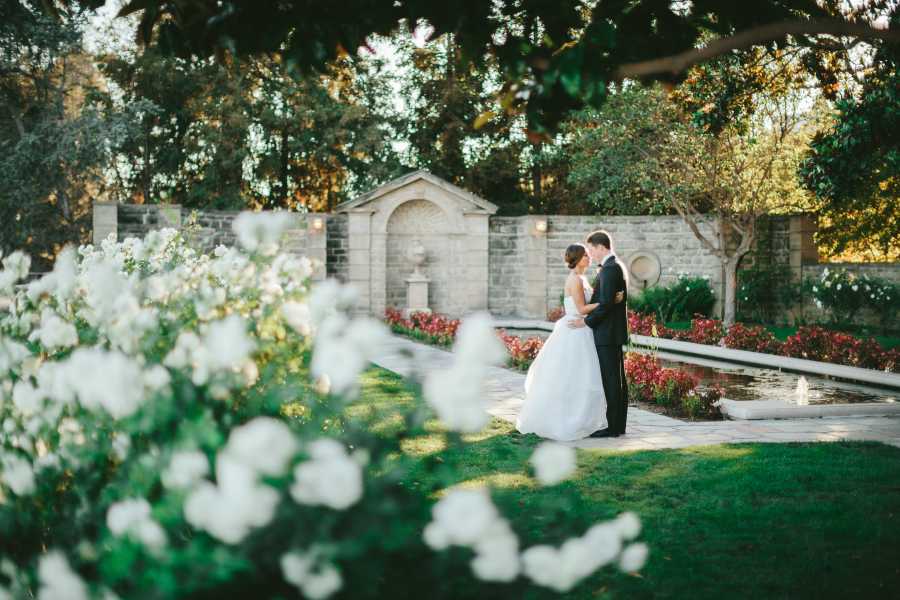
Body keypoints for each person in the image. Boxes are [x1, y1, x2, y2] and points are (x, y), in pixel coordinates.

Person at [515, 243, 622, 441]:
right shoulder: (575, 279)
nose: (589, 257)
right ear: (577, 258)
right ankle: (568, 418)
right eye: (585, 255)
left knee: (582, 376)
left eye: (588, 254)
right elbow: (582, 309)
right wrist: (608, 301)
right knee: (572, 375)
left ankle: (581, 417)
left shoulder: (582, 278)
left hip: (582, 329)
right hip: (575, 330)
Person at [568, 230, 629, 438]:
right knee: (617, 381)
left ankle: (613, 428)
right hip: (611, 332)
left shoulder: (610, 268)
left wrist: (586, 321)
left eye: (591, 249)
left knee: (612, 381)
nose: (590, 254)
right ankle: (618, 425)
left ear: (600, 247)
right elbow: (608, 300)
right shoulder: (614, 266)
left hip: (608, 333)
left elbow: (606, 304)